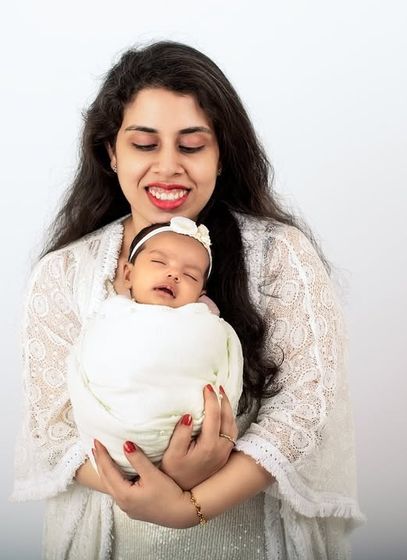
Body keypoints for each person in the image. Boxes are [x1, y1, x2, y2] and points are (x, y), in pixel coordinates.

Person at [12, 40, 364, 559]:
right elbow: (54, 429)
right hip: (114, 538)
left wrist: (191, 503)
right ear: (111, 153)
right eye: (145, 145)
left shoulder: (277, 255)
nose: (169, 166)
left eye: (193, 146)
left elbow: (305, 407)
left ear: (222, 155)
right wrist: (148, 487)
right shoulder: (65, 273)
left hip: (256, 539)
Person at [67, 216, 243, 475]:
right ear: (128, 274)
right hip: (113, 440)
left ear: (200, 296)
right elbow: (84, 362)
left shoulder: (205, 325)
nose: (173, 274)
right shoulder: (109, 316)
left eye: (190, 275)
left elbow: (227, 369)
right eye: (159, 262)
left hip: (193, 445)